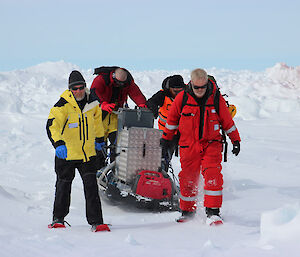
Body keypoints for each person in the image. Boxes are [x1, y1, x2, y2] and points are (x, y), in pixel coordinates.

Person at [160, 68, 241, 225]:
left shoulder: (216, 98)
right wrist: (166, 139)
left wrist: (235, 140)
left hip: (212, 144)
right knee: (188, 178)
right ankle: (187, 211)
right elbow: (171, 121)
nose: (200, 90)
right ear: (190, 84)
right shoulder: (182, 98)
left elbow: (227, 122)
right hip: (188, 145)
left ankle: (213, 212)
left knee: (213, 176)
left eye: (203, 87)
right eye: (196, 87)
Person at [46, 70, 110, 232]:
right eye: (75, 88)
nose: (78, 91)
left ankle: (97, 222)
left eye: (81, 87)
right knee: (63, 186)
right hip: (66, 154)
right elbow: (52, 126)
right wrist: (58, 144)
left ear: (85, 87)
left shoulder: (92, 103)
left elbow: (97, 124)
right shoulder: (62, 105)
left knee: (91, 188)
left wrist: (100, 140)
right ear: (70, 89)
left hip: (87, 155)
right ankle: (58, 219)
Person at [90, 66, 147, 164]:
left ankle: (115, 172)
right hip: (100, 117)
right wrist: (102, 104)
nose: (120, 85)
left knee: (117, 147)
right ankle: (99, 172)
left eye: (122, 83)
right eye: (118, 83)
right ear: (113, 77)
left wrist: (142, 104)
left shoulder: (128, 82)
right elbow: (94, 93)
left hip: (117, 116)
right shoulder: (102, 79)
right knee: (99, 147)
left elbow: (136, 93)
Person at [146, 75, 185, 163]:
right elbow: (151, 102)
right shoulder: (162, 95)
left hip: (183, 132)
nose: (178, 94)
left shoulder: (187, 93)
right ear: (170, 88)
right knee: (163, 158)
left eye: (180, 91)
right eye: (175, 91)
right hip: (166, 132)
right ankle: (162, 173)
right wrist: (153, 108)